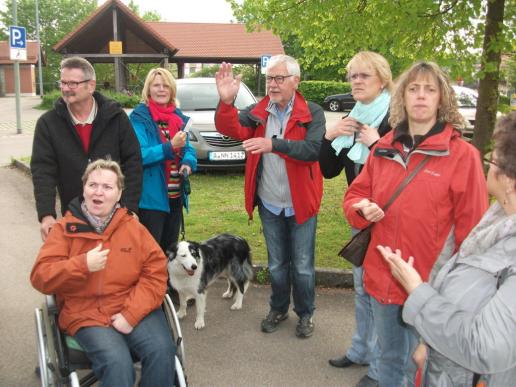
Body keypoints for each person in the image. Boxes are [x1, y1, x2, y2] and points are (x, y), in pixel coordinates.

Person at [343, 61, 489, 387]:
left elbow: (474, 233)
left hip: (431, 288)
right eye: (413, 89)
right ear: (403, 98)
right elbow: (354, 196)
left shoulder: (462, 156)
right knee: (389, 363)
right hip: (383, 280)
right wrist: (362, 208)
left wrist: (462, 294)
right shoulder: (382, 148)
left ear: (441, 99)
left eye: (430, 89)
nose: (421, 96)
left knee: (425, 370)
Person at [378, 111, 516, 386]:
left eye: (492, 161)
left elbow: (486, 347)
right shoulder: (498, 219)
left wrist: (418, 292)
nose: (488, 167)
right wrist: (427, 342)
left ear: (510, 183)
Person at [30, 159, 175, 386]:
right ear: (84, 188)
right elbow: (41, 276)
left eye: (107, 187)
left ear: (119, 194)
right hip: (86, 312)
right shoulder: (63, 230)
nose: (99, 192)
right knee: (117, 363)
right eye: (93, 185)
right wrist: (82, 264)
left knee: (162, 351)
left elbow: (156, 273)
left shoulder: (133, 228)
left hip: (133, 304)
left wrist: (130, 314)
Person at [214, 55, 325, 338]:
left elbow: (312, 150)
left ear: (295, 81)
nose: (272, 85)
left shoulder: (312, 112)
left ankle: (305, 314)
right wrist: (226, 103)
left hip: (301, 205)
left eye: (279, 79)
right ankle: (278, 309)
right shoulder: (258, 111)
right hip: (269, 203)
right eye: (269, 79)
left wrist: (273, 144)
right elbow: (231, 129)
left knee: (302, 267)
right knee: (276, 265)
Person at [320, 51, 393, 387]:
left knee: (383, 293)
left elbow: (408, 169)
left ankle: (381, 366)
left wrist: (378, 144)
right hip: (360, 215)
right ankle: (361, 349)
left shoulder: (396, 117)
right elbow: (329, 169)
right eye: (353, 77)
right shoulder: (355, 114)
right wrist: (329, 136)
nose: (357, 82)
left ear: (382, 79)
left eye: (364, 76)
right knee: (362, 288)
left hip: (390, 219)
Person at [31, 56, 142, 242]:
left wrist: (129, 207)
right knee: (77, 267)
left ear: (91, 85)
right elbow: (43, 171)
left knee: (114, 268)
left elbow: (134, 163)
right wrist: (46, 214)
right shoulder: (48, 124)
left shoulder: (116, 118)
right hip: (73, 215)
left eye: (73, 83)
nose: (66, 89)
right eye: (63, 83)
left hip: (114, 216)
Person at [129, 68, 196, 250]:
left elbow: (188, 149)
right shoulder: (139, 118)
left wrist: (188, 163)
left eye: (165, 85)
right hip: (150, 200)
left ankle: (166, 281)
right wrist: (170, 147)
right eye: (156, 85)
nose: (161, 89)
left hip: (175, 197)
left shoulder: (178, 117)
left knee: (170, 254)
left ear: (172, 89)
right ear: (148, 89)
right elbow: (138, 155)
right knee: (150, 254)